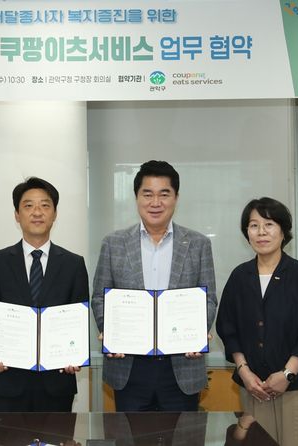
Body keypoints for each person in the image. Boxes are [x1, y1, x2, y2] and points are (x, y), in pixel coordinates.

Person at [91, 160, 218, 411]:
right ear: (136, 197)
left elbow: (208, 299)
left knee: (183, 433)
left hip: (181, 367)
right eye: (147, 194)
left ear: (176, 198)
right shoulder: (113, 243)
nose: (155, 202)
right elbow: (99, 298)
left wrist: (196, 332)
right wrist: (112, 332)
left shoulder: (198, 244)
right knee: (128, 433)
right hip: (129, 367)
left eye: (164, 194)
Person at [215, 197, 298, 446]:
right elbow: (228, 328)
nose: (261, 232)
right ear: (246, 232)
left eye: (269, 224)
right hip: (254, 387)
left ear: (283, 231)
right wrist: (244, 371)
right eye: (253, 225)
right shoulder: (239, 277)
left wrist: (287, 374)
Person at [0, 177, 89, 412]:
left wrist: (75, 354)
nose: (37, 212)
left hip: (57, 382)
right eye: (28, 205)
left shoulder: (74, 264)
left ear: (55, 214)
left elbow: (78, 316)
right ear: (17, 215)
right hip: (8, 379)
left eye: (45, 205)